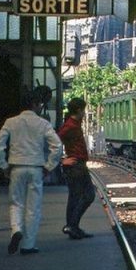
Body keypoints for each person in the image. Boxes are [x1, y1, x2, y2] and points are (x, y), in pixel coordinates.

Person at [0, 88, 63, 255]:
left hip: (16, 167)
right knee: (33, 208)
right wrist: (49, 166)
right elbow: (57, 146)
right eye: (39, 104)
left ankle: (16, 229)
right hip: (36, 168)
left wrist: (3, 165)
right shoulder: (43, 123)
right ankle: (28, 245)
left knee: (16, 203)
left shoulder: (11, 122)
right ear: (34, 104)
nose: (40, 107)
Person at [57, 97, 96, 240]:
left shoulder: (74, 124)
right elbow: (54, 140)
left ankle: (73, 227)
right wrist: (62, 160)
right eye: (83, 110)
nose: (84, 113)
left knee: (75, 197)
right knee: (88, 195)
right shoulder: (70, 126)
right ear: (79, 110)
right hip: (75, 166)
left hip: (77, 165)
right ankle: (71, 226)